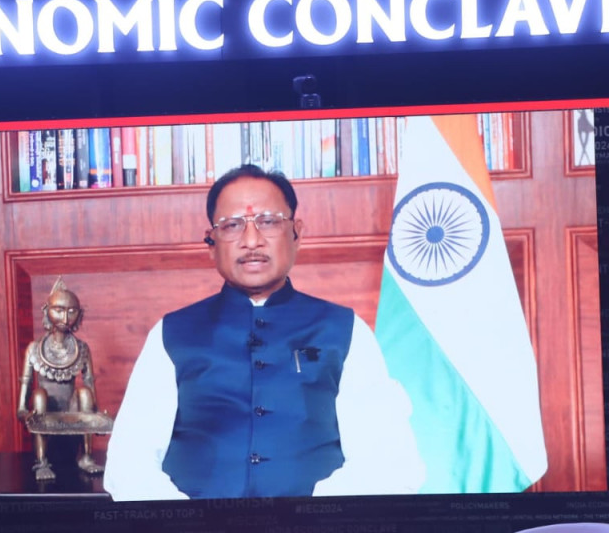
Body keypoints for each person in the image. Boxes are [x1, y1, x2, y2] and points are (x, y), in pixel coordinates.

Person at [104, 164, 423, 500]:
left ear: (297, 234)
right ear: (211, 243)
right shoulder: (171, 334)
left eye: (268, 221)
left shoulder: (344, 330)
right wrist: (191, 520)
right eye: (232, 225)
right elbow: (130, 463)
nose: (252, 240)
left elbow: (387, 461)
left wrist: (311, 517)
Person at [16, 278, 106, 481]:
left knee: (84, 392)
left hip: (73, 412)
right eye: (59, 310)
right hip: (45, 411)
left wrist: (97, 418)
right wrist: (25, 413)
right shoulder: (34, 349)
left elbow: (90, 386)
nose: (65, 318)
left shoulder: (81, 348)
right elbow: (22, 403)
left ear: (79, 314)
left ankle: (86, 457)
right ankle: (41, 461)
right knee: (39, 395)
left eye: (71, 311)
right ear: (47, 310)